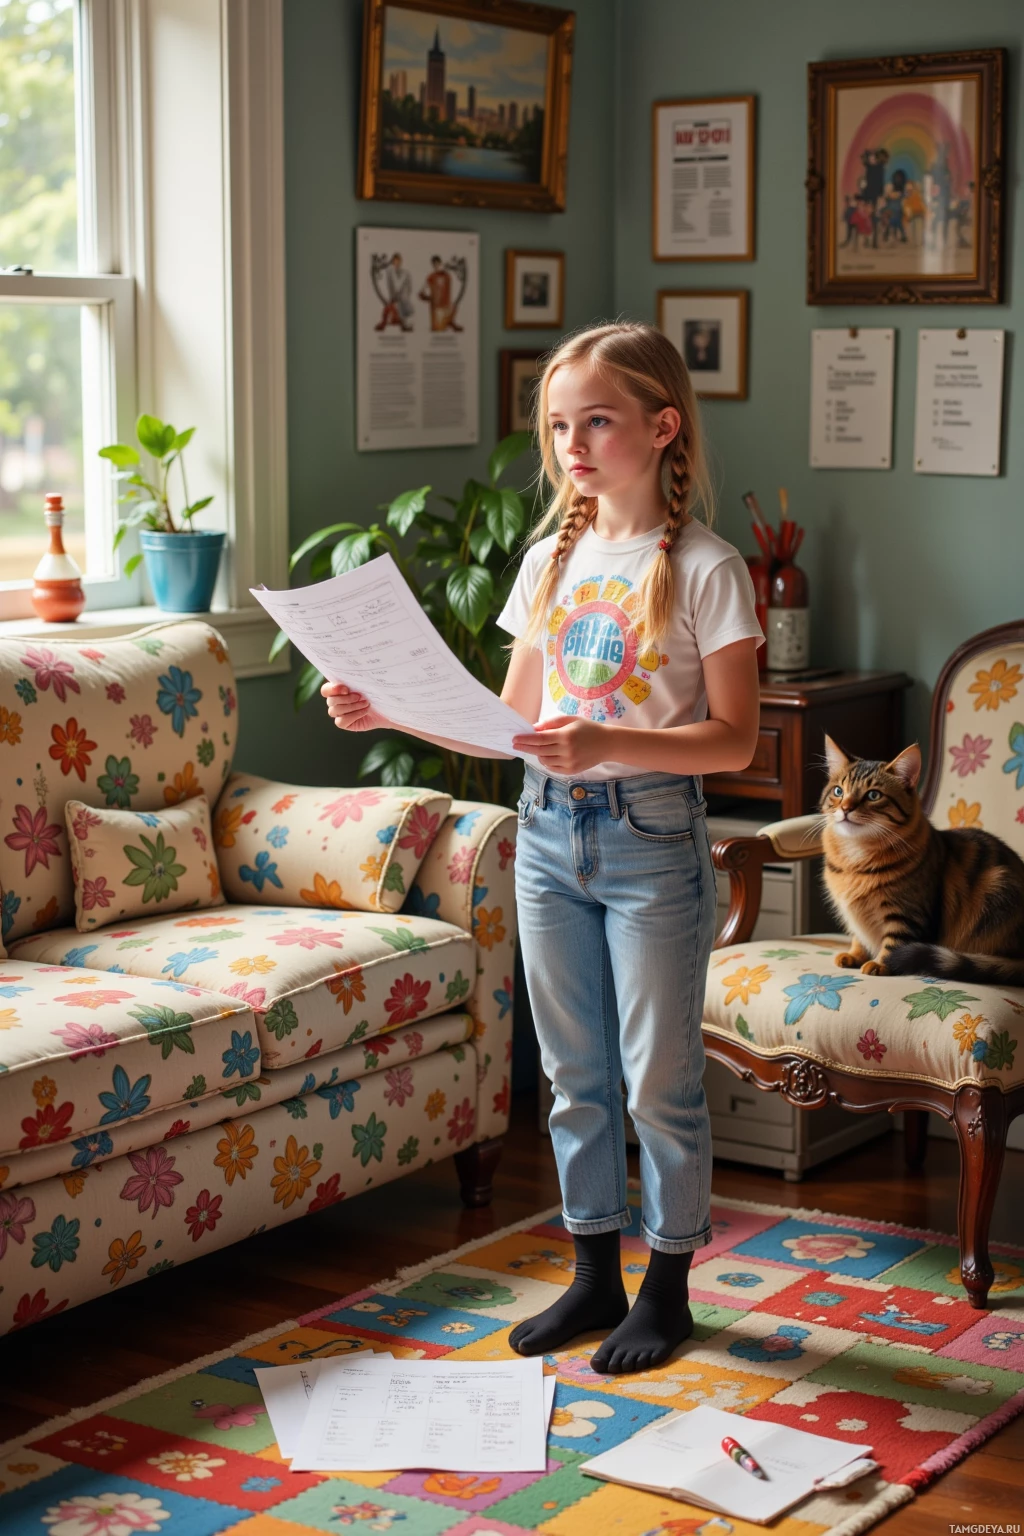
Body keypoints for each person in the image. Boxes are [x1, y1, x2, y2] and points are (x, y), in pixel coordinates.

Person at [321, 321, 763, 1375]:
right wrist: (385, 709)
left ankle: (666, 1288)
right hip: (549, 837)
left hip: (652, 837)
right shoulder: (548, 561)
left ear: (660, 428)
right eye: (559, 424)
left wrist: (607, 739)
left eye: (596, 421)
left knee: (657, 1079)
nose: (571, 442)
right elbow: (504, 722)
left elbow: (736, 740)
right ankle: (592, 1277)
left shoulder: (707, 568)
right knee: (570, 1076)